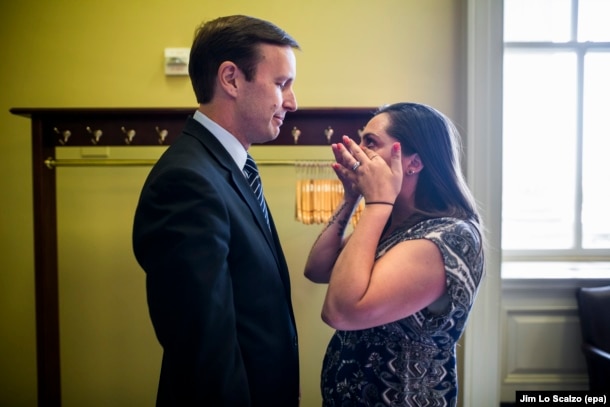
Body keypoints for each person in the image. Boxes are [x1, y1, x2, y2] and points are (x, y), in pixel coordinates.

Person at [132, 15, 300, 406]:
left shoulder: (229, 168)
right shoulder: (187, 183)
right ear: (231, 79)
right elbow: (203, 349)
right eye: (281, 84)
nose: (292, 102)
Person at [304, 102, 485, 406]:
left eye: (370, 142)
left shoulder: (448, 236)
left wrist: (376, 205)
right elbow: (318, 268)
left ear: (413, 163)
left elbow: (340, 311)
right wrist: (351, 199)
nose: (357, 152)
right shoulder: (389, 223)